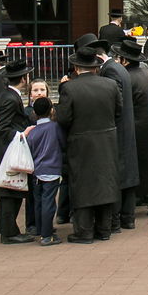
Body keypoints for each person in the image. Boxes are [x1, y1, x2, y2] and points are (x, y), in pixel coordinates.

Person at [55, 46, 121, 243]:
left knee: (83, 185)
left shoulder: (69, 88)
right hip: (107, 140)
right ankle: (104, 228)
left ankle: (84, 231)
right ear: (96, 66)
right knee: (105, 182)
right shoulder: (110, 85)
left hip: (81, 141)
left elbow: (64, 119)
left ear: (76, 67)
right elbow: (119, 111)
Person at [76, 33, 139, 234]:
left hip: (116, 130)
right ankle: (127, 218)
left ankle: (117, 219)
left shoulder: (110, 71)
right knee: (126, 173)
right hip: (124, 128)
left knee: (119, 174)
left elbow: (113, 102)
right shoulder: (118, 67)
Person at [116, 39, 148, 218]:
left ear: (124, 60)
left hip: (132, 126)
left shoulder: (124, 77)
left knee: (132, 166)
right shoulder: (146, 73)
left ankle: (131, 203)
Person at [0, 58, 33, 244]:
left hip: (10, 148)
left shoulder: (9, 95)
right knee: (11, 189)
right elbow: (0, 128)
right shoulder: (9, 98)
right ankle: (9, 232)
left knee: (11, 189)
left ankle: (8, 229)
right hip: (12, 149)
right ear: (24, 78)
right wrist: (21, 134)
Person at [25, 96, 65, 245]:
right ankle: (47, 235)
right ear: (51, 110)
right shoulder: (55, 127)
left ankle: (41, 229)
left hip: (37, 171)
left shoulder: (33, 131)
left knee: (39, 201)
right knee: (49, 201)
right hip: (52, 169)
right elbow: (62, 143)